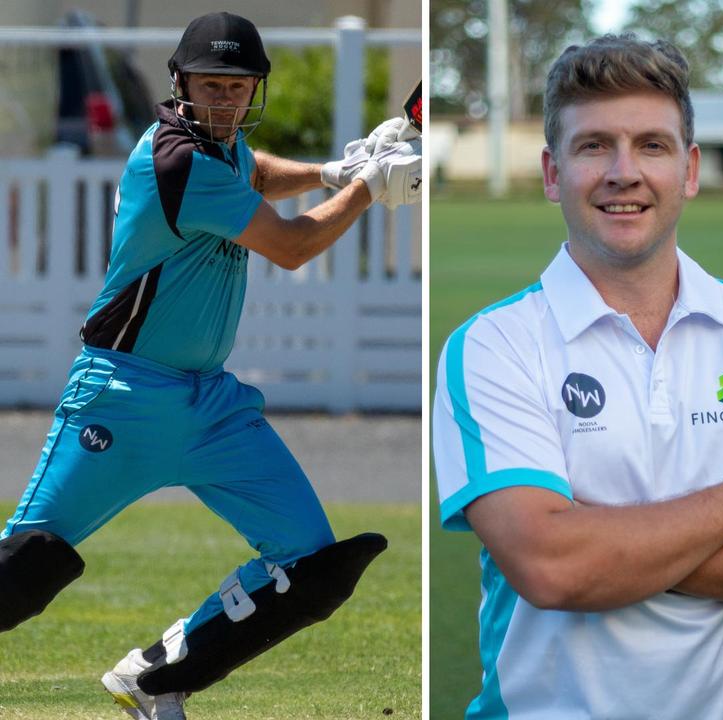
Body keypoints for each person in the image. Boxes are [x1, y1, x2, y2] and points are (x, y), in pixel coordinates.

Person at [0, 12, 421, 719]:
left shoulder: (224, 152)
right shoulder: (178, 159)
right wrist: (370, 189)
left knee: (311, 568)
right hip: (122, 398)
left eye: (238, 86)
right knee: (22, 575)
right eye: (211, 85)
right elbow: (288, 247)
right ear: (181, 84)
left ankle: (155, 678)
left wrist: (333, 170)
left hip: (213, 408)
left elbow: (255, 172)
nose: (225, 99)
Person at [433, 34, 723, 719]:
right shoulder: (491, 346)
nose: (623, 171)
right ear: (551, 172)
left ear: (688, 170)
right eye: (594, 145)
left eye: (651, 146)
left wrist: (610, 550)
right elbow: (551, 566)